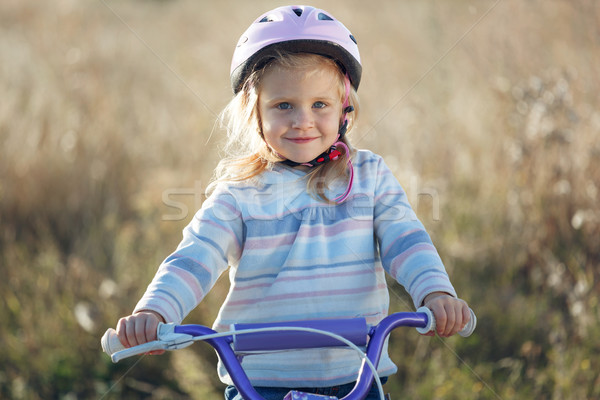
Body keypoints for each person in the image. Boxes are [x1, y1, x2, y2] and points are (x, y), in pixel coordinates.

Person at [114, 5, 471, 400]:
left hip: (359, 372)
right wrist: (156, 312)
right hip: (261, 379)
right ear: (256, 114)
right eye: (284, 105)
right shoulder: (239, 190)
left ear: (344, 110)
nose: (303, 120)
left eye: (320, 105)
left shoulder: (369, 175)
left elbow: (406, 240)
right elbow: (196, 255)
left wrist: (435, 293)